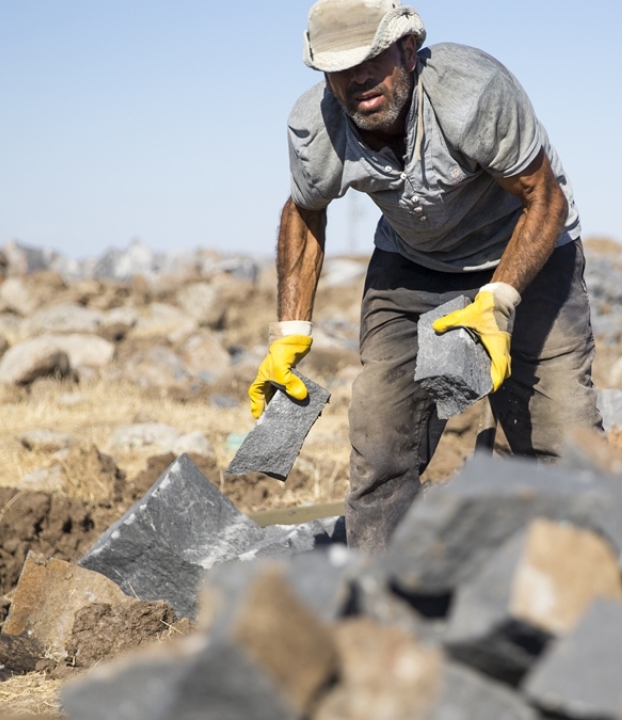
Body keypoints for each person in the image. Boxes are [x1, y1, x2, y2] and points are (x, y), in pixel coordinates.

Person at [249, 0, 602, 551]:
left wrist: (500, 299)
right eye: (339, 67)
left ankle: (580, 593)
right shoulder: (316, 125)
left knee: (561, 441)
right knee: (381, 440)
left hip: (525, 252)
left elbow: (545, 198)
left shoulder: (472, 93)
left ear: (408, 50)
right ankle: (379, 598)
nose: (358, 77)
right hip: (411, 266)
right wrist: (290, 332)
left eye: (373, 58)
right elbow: (304, 211)